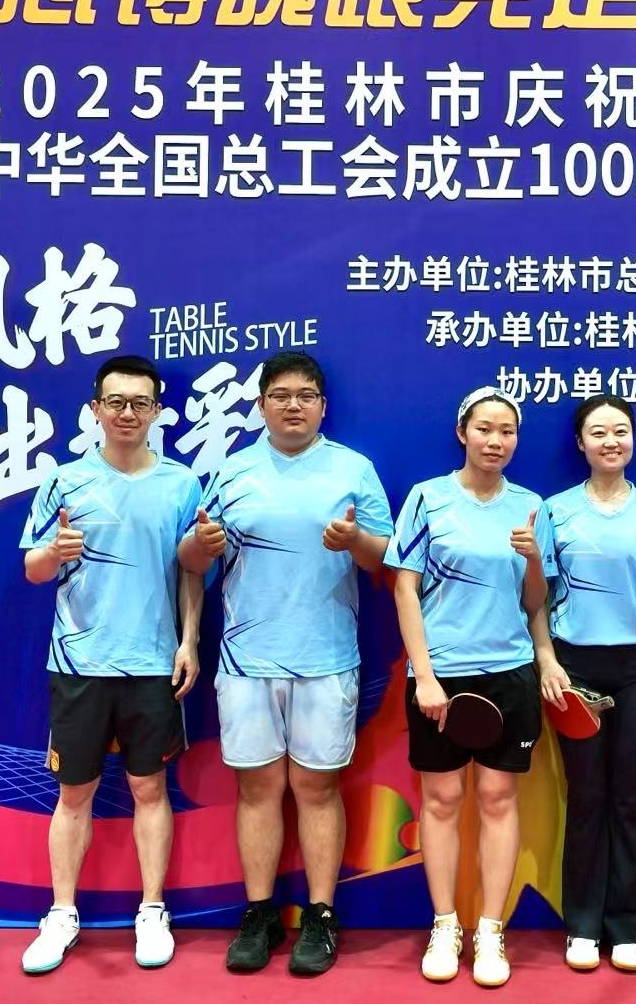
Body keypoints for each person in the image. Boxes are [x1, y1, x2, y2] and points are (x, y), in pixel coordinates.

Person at [178, 351, 393, 976]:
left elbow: (384, 559)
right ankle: (259, 913)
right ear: (261, 405)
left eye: (305, 395)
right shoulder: (232, 471)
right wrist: (200, 544)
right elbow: (190, 559)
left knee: (318, 788)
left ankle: (321, 916)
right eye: (280, 395)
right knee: (257, 788)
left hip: (326, 658)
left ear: (323, 406)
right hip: (245, 659)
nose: (293, 405)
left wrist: (355, 541)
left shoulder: (353, 469)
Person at [18, 354, 204, 976]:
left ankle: (152, 910)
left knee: (151, 788)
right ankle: (61, 914)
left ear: (156, 411)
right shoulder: (63, 481)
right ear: (95, 409)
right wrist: (54, 551)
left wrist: (189, 641)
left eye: (140, 403)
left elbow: (192, 571)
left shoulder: (181, 484)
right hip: (79, 662)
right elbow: (33, 569)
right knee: (75, 793)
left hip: (152, 663)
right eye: (116, 402)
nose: (128, 413)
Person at [384, 387, 555, 988]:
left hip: (510, 672)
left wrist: (533, 559)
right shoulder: (427, 499)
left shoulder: (531, 506)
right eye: (485, 429)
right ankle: (444, 924)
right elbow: (404, 588)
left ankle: (490, 929)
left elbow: (535, 602)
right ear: (463, 433)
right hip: (441, 676)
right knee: (441, 800)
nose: (495, 441)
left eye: (507, 431)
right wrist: (425, 675)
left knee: (499, 798)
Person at [540, 395, 636, 973]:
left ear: (633, 440)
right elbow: (538, 597)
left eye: (621, 431)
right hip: (574, 668)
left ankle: (626, 928)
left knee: (629, 800)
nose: (611, 441)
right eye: (599, 432)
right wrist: (547, 660)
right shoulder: (555, 511)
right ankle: (582, 925)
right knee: (585, 798)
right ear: (580, 443)